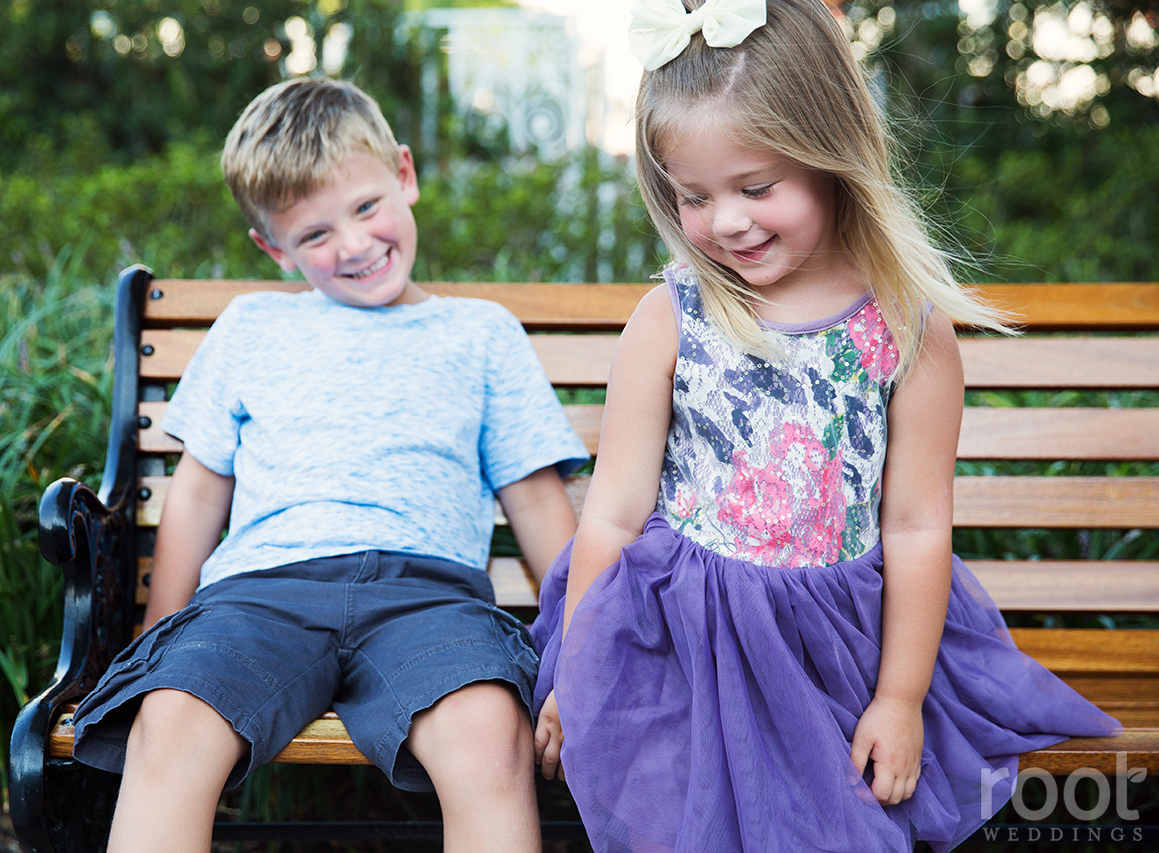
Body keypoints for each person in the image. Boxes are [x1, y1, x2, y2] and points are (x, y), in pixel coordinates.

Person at [529, 1, 1120, 850]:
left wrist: (900, 698)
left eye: (757, 187)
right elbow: (614, 515)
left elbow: (915, 525)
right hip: (688, 639)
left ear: (831, 155)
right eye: (694, 196)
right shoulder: (670, 318)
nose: (727, 220)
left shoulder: (906, 328)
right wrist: (577, 672)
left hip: (838, 648)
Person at [71, 77, 588, 852]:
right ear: (272, 248)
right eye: (313, 235)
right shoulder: (254, 327)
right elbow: (199, 490)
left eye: (367, 207)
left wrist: (581, 653)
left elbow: (540, 504)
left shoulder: (481, 335)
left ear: (405, 176)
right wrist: (160, 633)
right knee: (172, 720)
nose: (351, 244)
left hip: (430, 598)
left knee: (489, 735)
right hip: (262, 594)